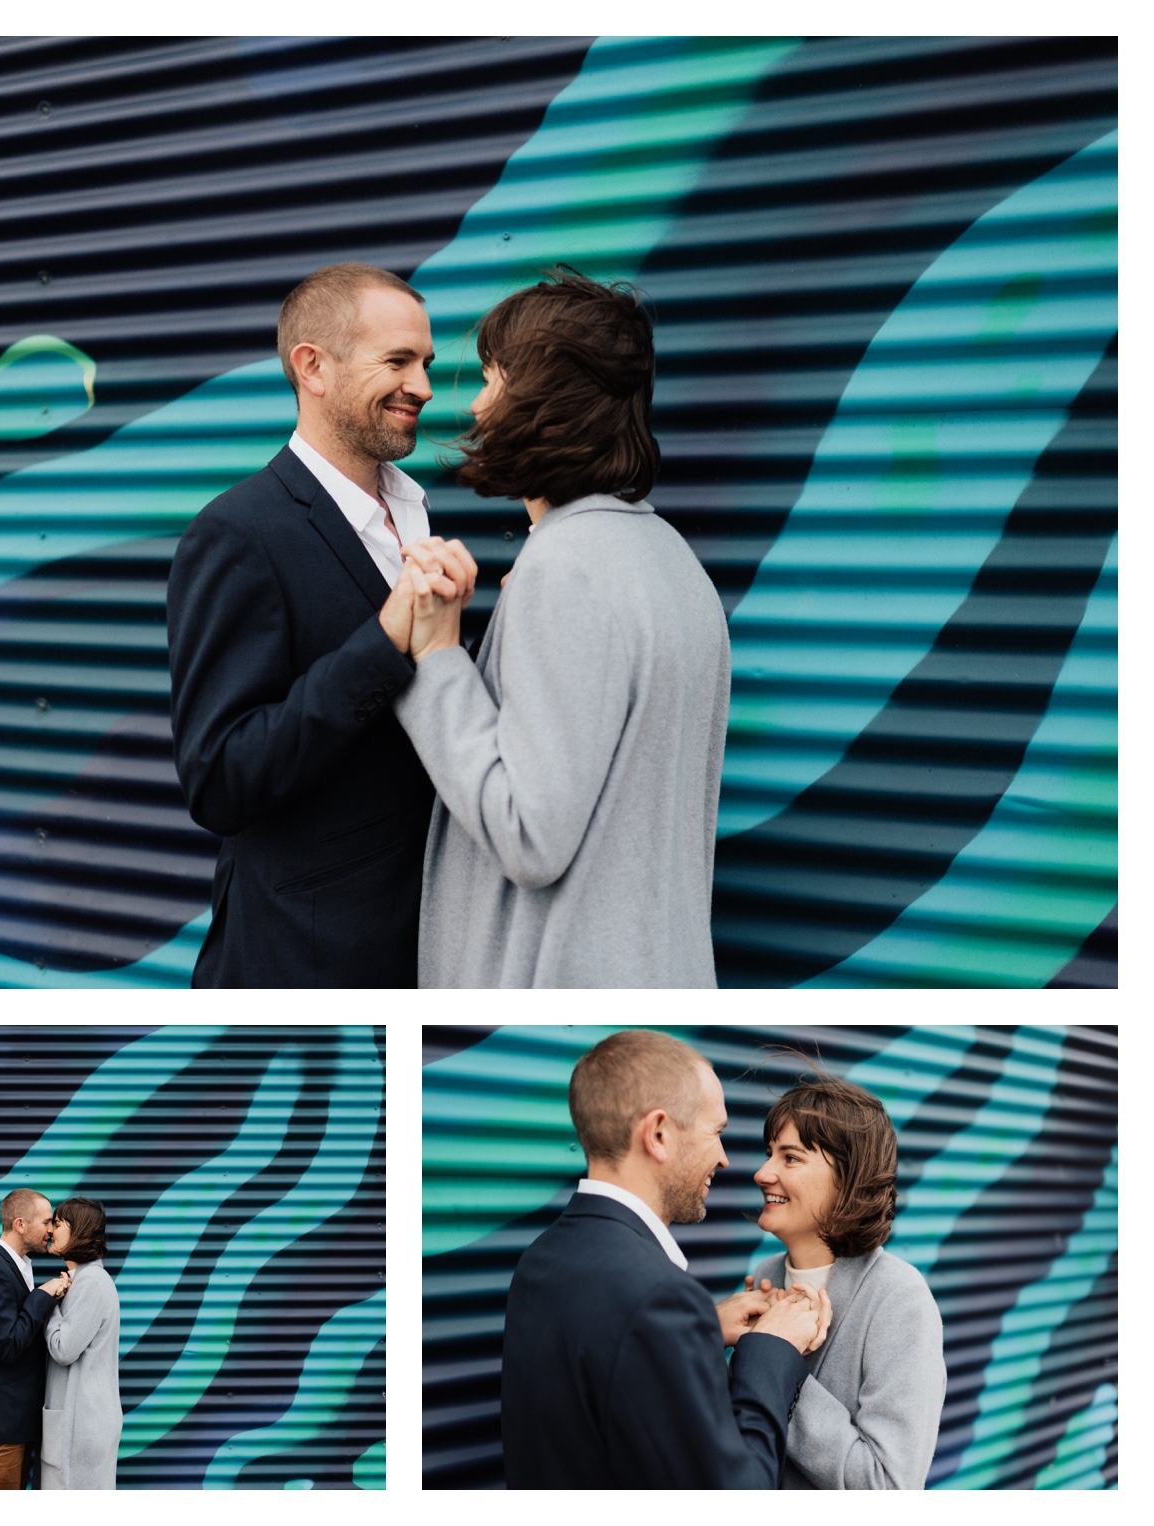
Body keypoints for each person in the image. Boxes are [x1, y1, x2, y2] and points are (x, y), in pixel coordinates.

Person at [390, 267, 730, 987]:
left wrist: (439, 658)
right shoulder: (667, 555)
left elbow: (530, 835)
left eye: (494, 379)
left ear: (542, 398)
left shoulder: (567, 567)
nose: (476, 405)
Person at [166, 262, 475, 987]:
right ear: (313, 367)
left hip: (424, 955)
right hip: (307, 973)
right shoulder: (238, 533)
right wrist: (383, 642)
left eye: (426, 364)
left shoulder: (417, 514)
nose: (425, 387)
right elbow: (220, 778)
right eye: (397, 361)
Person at [500, 1029, 832, 1489]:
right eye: (715, 1132)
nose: (724, 1159)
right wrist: (772, 1347)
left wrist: (700, 1330)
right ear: (658, 1134)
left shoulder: (543, 1258)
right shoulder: (658, 1298)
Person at [742, 1072, 946, 1488]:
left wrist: (776, 1366)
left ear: (847, 1179)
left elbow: (887, 1484)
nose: (762, 1173)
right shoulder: (765, 1277)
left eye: (790, 1158)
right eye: (769, 1154)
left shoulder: (897, 1299)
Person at [0, 1188, 70, 1489]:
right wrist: (42, 1295)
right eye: (46, 1222)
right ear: (20, 1224)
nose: (51, 1230)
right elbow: (7, 1344)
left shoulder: (15, 1267)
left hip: (14, 1426)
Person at [41, 1196, 123, 1490]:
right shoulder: (85, 1280)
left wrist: (48, 1303)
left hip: (82, 1426)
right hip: (80, 1423)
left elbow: (64, 1349)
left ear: (79, 1231)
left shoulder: (90, 1282)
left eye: (58, 1223)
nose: (50, 1230)